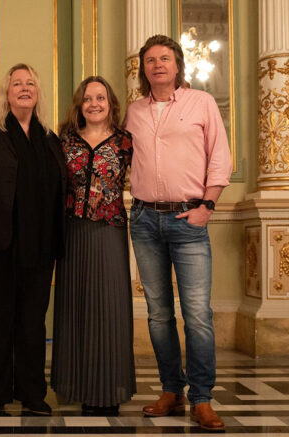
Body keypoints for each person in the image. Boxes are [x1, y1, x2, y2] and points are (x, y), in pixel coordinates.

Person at [125, 34, 231, 432]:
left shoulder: (201, 103)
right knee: (157, 315)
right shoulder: (134, 111)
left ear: (178, 65)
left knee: (198, 316)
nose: (157, 65)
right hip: (145, 221)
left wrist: (207, 206)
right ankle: (172, 390)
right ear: (144, 68)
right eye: (150, 60)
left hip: (189, 220)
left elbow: (219, 156)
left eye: (164, 58)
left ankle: (202, 399)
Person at [0, 63, 66, 416]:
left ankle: (32, 394)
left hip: (40, 245)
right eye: (17, 83)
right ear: (6, 92)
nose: (24, 88)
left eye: (31, 83)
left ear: (38, 92)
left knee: (33, 322)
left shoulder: (51, 138)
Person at [51, 76, 135, 416]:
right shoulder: (63, 142)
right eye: (88, 99)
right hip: (72, 234)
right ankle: (81, 387)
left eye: (101, 97)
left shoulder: (125, 142)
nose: (94, 103)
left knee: (110, 308)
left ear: (111, 103)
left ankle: (108, 389)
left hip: (110, 232)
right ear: (79, 105)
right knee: (77, 308)